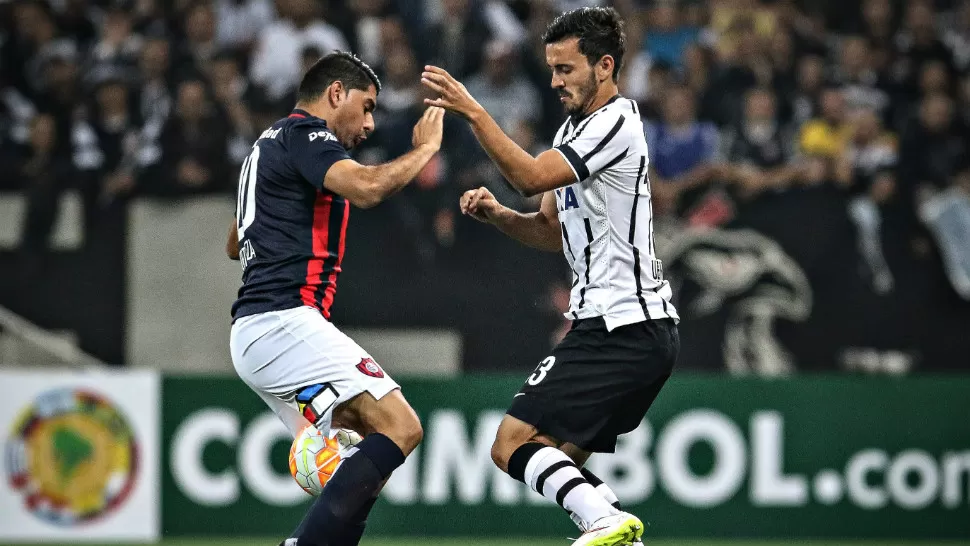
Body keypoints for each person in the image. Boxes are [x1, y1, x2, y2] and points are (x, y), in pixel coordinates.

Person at [420, 7, 679, 546]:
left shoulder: (616, 122)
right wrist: (499, 216)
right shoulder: (573, 129)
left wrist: (473, 110)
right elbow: (548, 230)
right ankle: (616, 529)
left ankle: (607, 522)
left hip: (620, 324)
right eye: (552, 70)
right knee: (557, 465)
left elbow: (529, 175)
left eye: (566, 69)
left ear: (604, 66)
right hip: (630, 330)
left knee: (509, 444)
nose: (555, 81)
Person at [226, 51, 444, 546]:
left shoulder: (264, 148)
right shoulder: (305, 134)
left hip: (258, 330)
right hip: (282, 319)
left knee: (360, 453)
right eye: (365, 107)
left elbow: (234, 240)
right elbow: (366, 188)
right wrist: (426, 149)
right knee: (402, 426)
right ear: (335, 94)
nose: (368, 124)